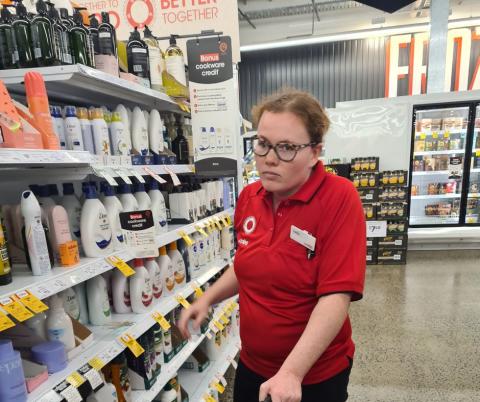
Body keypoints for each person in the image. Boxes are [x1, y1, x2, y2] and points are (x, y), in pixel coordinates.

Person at [178, 90, 366, 402]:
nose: (269, 158)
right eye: (263, 144)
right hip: (253, 364)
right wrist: (207, 299)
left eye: (287, 148)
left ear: (315, 151)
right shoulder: (250, 198)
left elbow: (335, 297)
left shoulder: (340, 198)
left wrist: (292, 372)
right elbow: (249, 265)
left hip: (315, 374)